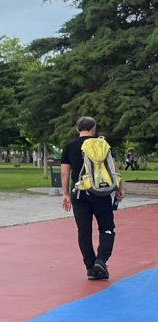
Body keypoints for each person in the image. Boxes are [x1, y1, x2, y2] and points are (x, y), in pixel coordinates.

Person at [60, 116, 125, 280]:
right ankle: (101, 260)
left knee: (84, 231)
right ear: (93, 129)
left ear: (77, 129)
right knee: (107, 227)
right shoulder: (103, 144)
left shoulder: (70, 147)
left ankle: (90, 267)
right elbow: (113, 168)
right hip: (101, 193)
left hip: (80, 193)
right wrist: (120, 188)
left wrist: (66, 194)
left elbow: (64, 172)